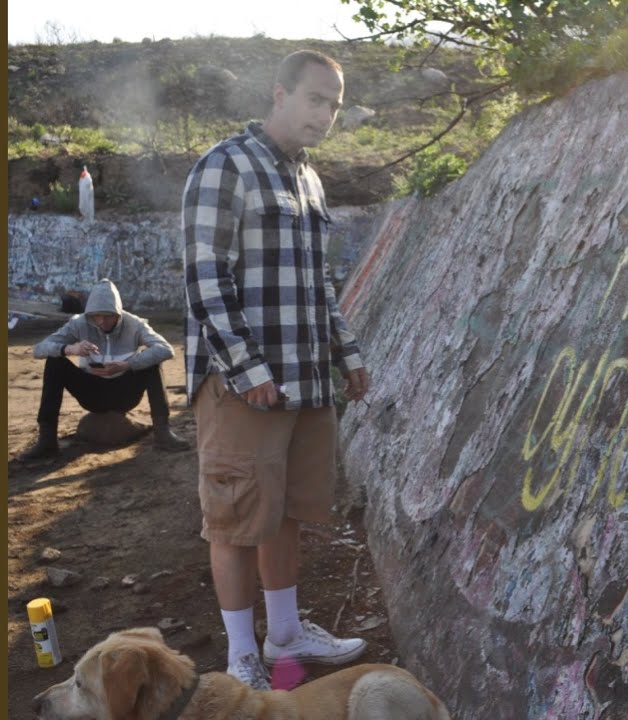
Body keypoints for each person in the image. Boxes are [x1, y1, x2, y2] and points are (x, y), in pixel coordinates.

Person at [182, 49, 372, 690]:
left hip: (305, 379)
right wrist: (246, 368)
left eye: (334, 106)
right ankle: (242, 659)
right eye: (315, 99)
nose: (325, 115)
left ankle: (285, 633)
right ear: (280, 94)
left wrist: (346, 354)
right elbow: (204, 278)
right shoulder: (224, 166)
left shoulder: (310, 179)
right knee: (236, 520)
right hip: (245, 386)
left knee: (284, 510)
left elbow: (320, 284)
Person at [20, 278, 190, 459]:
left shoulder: (135, 324)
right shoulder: (79, 323)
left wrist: (128, 364)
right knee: (55, 362)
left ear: (118, 313)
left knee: (152, 363)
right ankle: (47, 441)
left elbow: (166, 349)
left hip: (125, 393)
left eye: (108, 315)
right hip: (92, 394)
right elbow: (39, 349)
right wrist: (70, 349)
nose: (102, 321)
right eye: (97, 315)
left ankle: (163, 433)